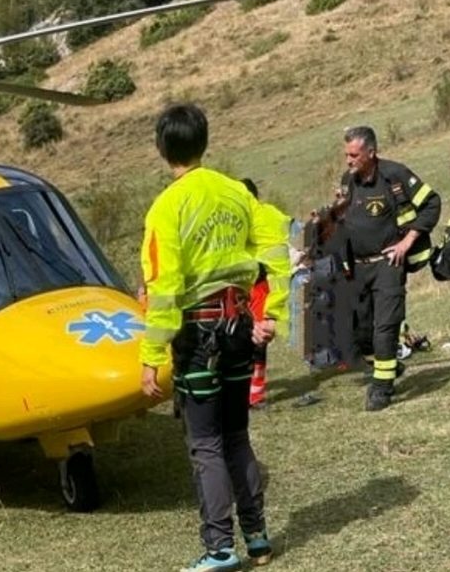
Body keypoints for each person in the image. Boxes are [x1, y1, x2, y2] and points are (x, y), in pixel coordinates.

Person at [139, 104, 288, 572]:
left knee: (205, 444)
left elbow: (164, 288)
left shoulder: (166, 208)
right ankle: (257, 538)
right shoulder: (237, 193)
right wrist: (273, 311)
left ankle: (220, 547)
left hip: (198, 335)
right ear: (204, 141)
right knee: (237, 435)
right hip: (239, 327)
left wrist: (151, 354)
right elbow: (276, 243)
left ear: (162, 149)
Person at [335, 126, 440, 411]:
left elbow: (432, 203)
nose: (348, 160)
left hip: (388, 266)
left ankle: (382, 389)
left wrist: (407, 241)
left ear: (371, 152)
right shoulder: (348, 179)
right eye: (346, 155)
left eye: (354, 155)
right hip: (357, 268)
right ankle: (389, 366)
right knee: (359, 332)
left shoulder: (395, 175)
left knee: (385, 327)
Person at [240, 178, 292, 410]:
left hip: (258, 284)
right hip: (244, 286)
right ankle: (248, 393)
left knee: (258, 339)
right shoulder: (234, 218)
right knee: (244, 341)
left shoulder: (265, 215)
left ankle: (255, 394)